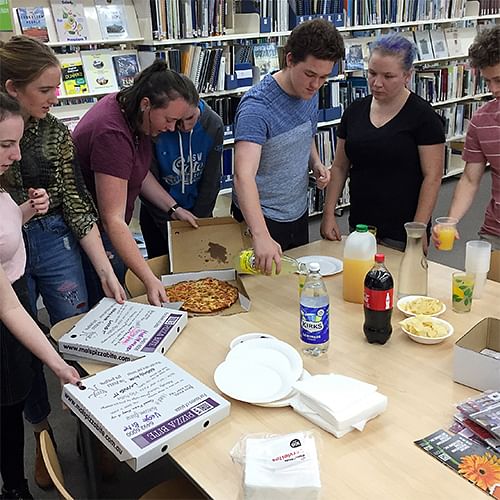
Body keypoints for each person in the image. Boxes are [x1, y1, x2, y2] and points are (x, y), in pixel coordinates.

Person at [0, 35, 125, 490]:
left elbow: (75, 202)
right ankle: (43, 434)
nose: (57, 98)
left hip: (51, 237)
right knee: (25, 347)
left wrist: (107, 270)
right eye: (46, 91)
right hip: (7, 249)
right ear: (13, 88)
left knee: (77, 329)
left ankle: (94, 432)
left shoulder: (55, 132)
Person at [0, 92, 81, 500]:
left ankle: (14, 483)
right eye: (5, 145)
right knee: (6, 410)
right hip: (5, 317)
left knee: (11, 409)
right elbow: (9, 307)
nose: (16, 156)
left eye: (17, 143)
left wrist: (27, 210)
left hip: (11, 309)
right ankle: (14, 488)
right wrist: (58, 364)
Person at [72, 61, 201, 306]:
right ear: (146, 104)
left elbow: (137, 173)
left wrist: (173, 208)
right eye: (170, 119)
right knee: (106, 303)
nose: (171, 128)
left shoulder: (132, 113)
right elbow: (113, 220)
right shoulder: (113, 133)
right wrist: (149, 279)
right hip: (94, 237)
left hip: (107, 230)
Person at [232, 19, 345, 274]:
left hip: (297, 211)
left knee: (295, 289)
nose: (316, 85)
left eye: (324, 77)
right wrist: (260, 235)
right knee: (264, 299)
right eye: (310, 74)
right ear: (290, 59)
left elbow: (307, 132)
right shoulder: (256, 107)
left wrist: (314, 162)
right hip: (261, 220)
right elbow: (243, 176)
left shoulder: (309, 92)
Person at [320, 32, 445, 250]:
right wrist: (328, 213)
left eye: (388, 77)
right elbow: (340, 166)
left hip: (402, 230)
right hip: (361, 226)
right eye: (372, 73)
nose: (377, 83)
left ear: (407, 76)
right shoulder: (355, 111)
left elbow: (432, 177)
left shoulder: (423, 117)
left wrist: (417, 229)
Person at [140, 74, 223, 259]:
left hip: (198, 214)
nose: (184, 127)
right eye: (178, 121)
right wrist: (169, 225)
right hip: (158, 216)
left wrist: (198, 221)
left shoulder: (213, 125)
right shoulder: (160, 127)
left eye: (190, 118)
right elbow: (146, 179)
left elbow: (211, 181)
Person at [432, 25, 500, 250]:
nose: (493, 89)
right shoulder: (481, 122)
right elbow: (471, 179)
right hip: (495, 232)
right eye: (488, 81)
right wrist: (450, 221)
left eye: (499, 80)